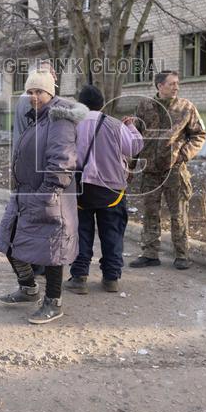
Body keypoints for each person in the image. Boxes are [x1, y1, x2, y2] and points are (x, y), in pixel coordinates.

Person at [0, 69, 87, 324]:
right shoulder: (38, 117)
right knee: (10, 240)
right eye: (31, 91)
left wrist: (48, 193)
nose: (34, 96)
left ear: (50, 92)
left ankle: (53, 302)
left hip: (49, 196)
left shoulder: (59, 119)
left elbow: (62, 160)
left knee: (52, 249)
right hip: (26, 193)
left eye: (39, 91)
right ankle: (28, 288)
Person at [65, 85, 144, 294]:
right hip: (112, 190)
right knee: (113, 233)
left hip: (81, 188)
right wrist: (132, 128)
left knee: (81, 232)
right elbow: (134, 148)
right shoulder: (115, 125)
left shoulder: (72, 124)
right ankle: (111, 278)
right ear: (102, 104)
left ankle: (79, 277)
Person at [131, 71, 206, 270]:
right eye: (172, 84)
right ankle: (150, 253)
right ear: (159, 86)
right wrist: (130, 166)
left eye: (177, 84)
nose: (176, 87)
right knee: (150, 212)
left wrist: (183, 155)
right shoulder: (144, 106)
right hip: (150, 170)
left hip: (174, 170)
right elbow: (136, 138)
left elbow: (199, 134)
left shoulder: (186, 107)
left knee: (178, 213)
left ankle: (182, 254)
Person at [11, 60, 57, 153]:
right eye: (50, 73)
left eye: (54, 73)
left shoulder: (29, 96)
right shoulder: (33, 99)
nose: (55, 77)